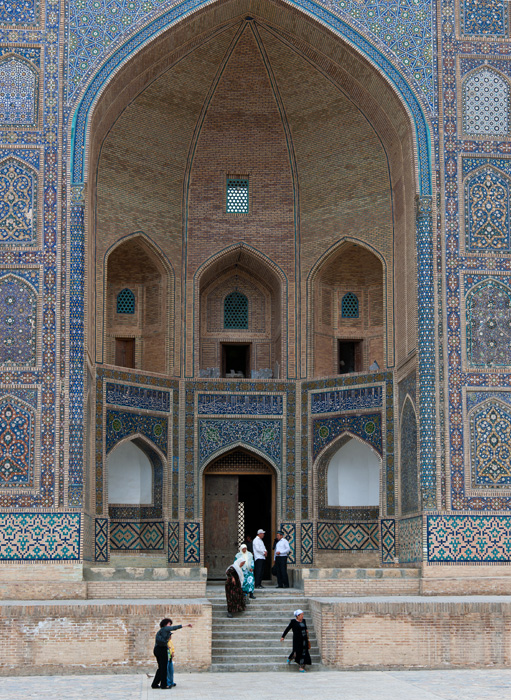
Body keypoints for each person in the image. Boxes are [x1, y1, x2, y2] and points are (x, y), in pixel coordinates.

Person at [151, 617, 192, 689]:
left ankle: (155, 684)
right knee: (163, 668)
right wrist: (186, 625)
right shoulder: (165, 629)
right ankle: (164, 685)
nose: (170, 625)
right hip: (161, 649)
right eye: (169, 624)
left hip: (157, 650)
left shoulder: (161, 631)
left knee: (160, 668)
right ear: (165, 624)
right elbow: (175, 628)